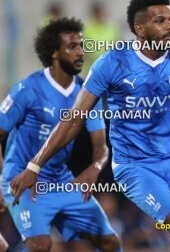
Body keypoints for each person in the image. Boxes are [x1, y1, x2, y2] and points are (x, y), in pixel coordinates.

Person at [9, 0, 170, 251]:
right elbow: (74, 119)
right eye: (160, 20)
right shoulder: (112, 63)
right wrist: (34, 166)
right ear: (140, 28)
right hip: (137, 166)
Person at [0, 18, 120, 251]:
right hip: (22, 180)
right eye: (72, 47)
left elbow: (101, 146)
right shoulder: (28, 89)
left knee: (110, 242)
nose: (80, 52)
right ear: (54, 53)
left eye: (81, 45)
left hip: (61, 181)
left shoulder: (86, 93)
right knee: (39, 245)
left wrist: (94, 169)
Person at [82, 0, 119, 76]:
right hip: (91, 72)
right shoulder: (85, 28)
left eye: (102, 12)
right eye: (98, 12)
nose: (100, 15)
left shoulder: (112, 27)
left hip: (109, 71)